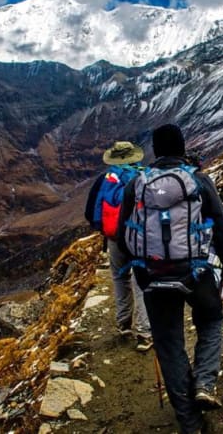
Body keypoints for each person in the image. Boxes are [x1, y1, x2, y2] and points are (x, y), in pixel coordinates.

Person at [117, 124, 223, 434]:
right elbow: (222, 230)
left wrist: (141, 270)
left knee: (169, 344)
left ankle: (190, 422)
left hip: (154, 276)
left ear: (155, 152)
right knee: (211, 321)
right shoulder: (199, 182)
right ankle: (205, 383)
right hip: (196, 272)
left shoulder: (137, 185)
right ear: (183, 148)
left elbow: (122, 236)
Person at [85, 140, 153, 352]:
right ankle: (144, 332)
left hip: (115, 238)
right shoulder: (145, 177)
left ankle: (124, 323)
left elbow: (90, 212)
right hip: (140, 237)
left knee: (119, 277)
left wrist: (106, 230)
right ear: (135, 157)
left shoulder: (106, 180)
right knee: (141, 280)